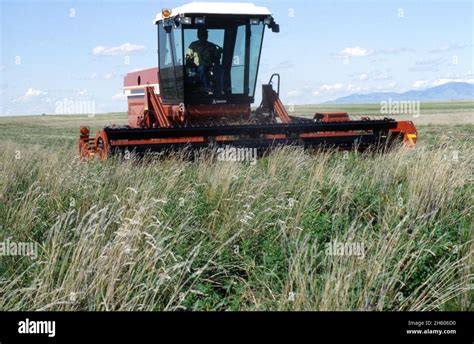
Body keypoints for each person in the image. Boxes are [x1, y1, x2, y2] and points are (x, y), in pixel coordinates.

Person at [186, 28, 223, 94]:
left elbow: (217, 58)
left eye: (205, 34)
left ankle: (221, 89)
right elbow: (188, 56)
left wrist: (219, 52)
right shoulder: (193, 45)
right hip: (195, 68)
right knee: (201, 68)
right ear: (198, 35)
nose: (204, 35)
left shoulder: (211, 46)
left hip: (209, 67)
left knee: (219, 69)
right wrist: (189, 60)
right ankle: (207, 88)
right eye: (202, 34)